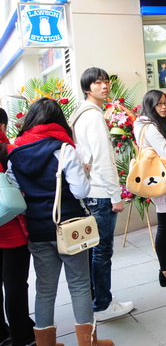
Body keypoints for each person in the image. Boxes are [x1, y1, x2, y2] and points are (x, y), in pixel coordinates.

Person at [8, 98, 113, 346]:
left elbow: (15, 190)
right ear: (58, 121)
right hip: (70, 227)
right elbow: (80, 191)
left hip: (37, 229)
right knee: (79, 284)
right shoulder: (64, 149)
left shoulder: (15, 154)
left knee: (44, 289)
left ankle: (46, 343)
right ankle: (88, 342)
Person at [70, 67, 134, 321]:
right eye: (97, 82)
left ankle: (95, 302)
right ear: (87, 88)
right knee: (102, 251)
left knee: (93, 250)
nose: (104, 86)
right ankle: (103, 304)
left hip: (89, 192)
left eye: (106, 81)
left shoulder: (80, 113)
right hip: (100, 193)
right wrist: (115, 196)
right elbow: (103, 159)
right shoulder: (93, 117)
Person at [133, 90, 166, 287]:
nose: (163, 107)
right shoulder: (151, 128)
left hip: (157, 178)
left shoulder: (142, 123)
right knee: (165, 227)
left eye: (165, 103)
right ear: (150, 106)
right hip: (163, 180)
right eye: (159, 104)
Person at [0, 109, 35, 346]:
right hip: (10, 227)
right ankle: (22, 336)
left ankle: (2, 334)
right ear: (2, 126)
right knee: (15, 283)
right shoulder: (7, 150)